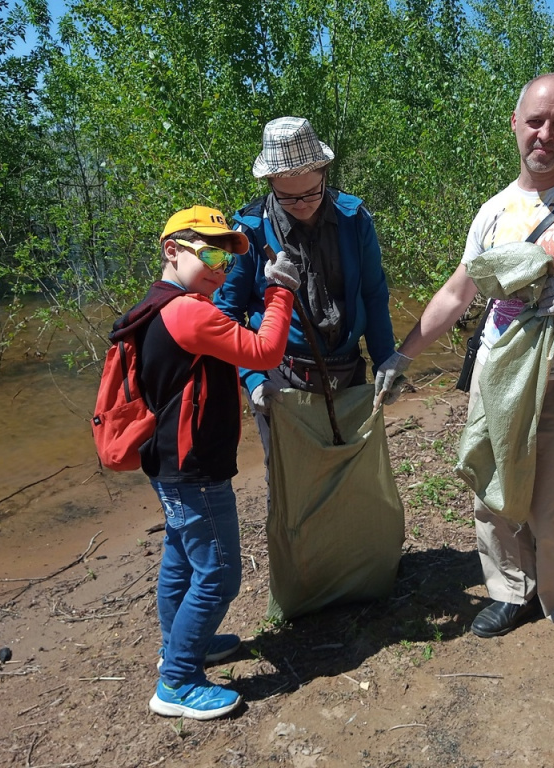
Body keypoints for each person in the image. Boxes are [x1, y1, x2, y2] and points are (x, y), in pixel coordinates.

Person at [375, 73, 554, 664]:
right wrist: (401, 356)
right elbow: (458, 293)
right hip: (496, 378)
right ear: (515, 124)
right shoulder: (495, 211)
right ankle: (511, 590)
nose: (544, 134)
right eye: (535, 121)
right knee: (492, 495)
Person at [112, 205, 299, 719]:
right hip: (193, 469)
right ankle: (177, 682)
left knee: (181, 560)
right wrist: (279, 289)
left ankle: (180, 646)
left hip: (167, 463)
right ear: (171, 251)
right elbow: (263, 352)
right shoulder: (191, 312)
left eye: (227, 259)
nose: (220, 267)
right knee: (218, 573)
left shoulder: (158, 305)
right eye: (210, 253)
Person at [214, 116, 401, 459]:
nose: (301, 204)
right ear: (270, 182)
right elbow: (224, 313)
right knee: (291, 490)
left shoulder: (354, 218)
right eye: (287, 197)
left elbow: (374, 295)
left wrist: (386, 359)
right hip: (282, 379)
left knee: (352, 474)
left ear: (325, 174)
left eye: (311, 192)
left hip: (348, 373)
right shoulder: (250, 229)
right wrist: (253, 379)